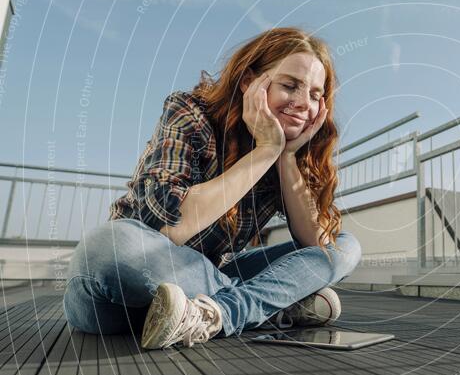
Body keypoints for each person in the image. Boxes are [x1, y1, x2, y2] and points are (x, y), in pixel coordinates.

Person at [63, 27, 362, 350]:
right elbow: (165, 228)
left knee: (344, 246)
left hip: (201, 281)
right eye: (290, 86)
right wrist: (265, 151)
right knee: (107, 246)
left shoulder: (290, 150)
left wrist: (285, 156)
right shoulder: (189, 112)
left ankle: (218, 313)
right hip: (126, 285)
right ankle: (270, 302)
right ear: (249, 82)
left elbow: (316, 245)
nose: (305, 103)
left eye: (316, 95)